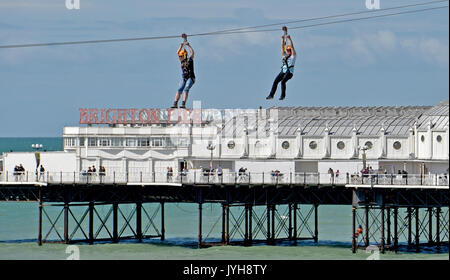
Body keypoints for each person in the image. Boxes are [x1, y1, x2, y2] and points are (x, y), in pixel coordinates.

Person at [266, 34, 297, 100]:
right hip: (283, 72)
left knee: (283, 82)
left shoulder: (293, 56)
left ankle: (282, 96)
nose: (288, 51)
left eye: (289, 50)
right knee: (275, 81)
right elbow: (283, 47)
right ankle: (271, 95)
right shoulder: (285, 55)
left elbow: (292, 47)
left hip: (289, 73)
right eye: (288, 50)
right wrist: (282, 39)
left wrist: (290, 39)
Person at [171, 41, 195, 109]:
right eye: (180, 56)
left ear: (184, 55)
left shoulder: (189, 60)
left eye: (181, 56)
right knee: (179, 89)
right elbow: (177, 52)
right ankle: (175, 103)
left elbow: (192, 53)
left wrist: (189, 45)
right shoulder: (182, 61)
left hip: (191, 78)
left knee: (186, 89)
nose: (180, 57)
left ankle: (183, 103)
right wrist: (181, 46)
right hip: (184, 78)